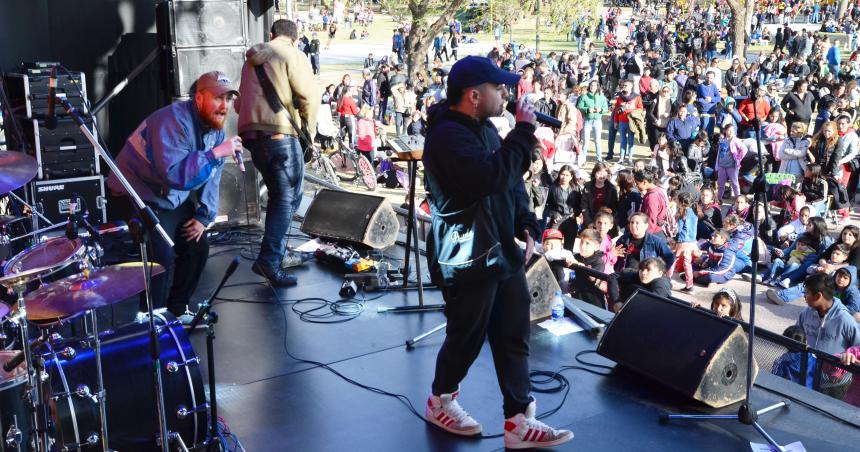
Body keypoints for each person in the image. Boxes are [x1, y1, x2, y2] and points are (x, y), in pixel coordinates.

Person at [422, 56, 573, 449]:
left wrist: (526, 222)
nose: (507, 93)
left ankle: (519, 420)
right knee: (466, 337)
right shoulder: (447, 137)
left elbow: (510, 184)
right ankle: (440, 399)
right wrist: (523, 131)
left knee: (513, 333)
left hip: (499, 249)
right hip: (468, 253)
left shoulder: (485, 128)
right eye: (499, 88)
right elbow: (487, 178)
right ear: (474, 95)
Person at [107, 71, 238, 320]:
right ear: (199, 98)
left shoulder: (216, 131)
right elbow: (174, 175)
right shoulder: (172, 121)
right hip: (134, 191)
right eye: (218, 98)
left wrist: (203, 215)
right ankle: (150, 320)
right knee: (161, 253)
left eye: (229, 99)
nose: (224, 106)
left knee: (197, 246)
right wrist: (214, 154)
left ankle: (176, 312)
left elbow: (213, 178)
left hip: (168, 195)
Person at [237, 19, 321, 286]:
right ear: (294, 39)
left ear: (271, 35)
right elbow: (310, 95)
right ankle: (270, 260)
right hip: (280, 135)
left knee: (281, 197)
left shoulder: (251, 60)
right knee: (287, 198)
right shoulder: (292, 54)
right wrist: (310, 132)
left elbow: (240, 102)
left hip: (253, 136)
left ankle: (273, 254)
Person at [795, 273, 860, 355]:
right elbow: (795, 336)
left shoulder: (844, 319)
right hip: (805, 366)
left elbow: (858, 349)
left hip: (831, 367)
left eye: (806, 293)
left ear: (818, 296)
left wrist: (848, 355)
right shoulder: (806, 313)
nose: (804, 296)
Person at [608, 257, 673, 312]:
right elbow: (614, 276)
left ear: (660, 273)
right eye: (642, 269)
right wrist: (616, 301)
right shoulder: (637, 274)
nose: (643, 273)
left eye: (648, 270)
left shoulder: (662, 284)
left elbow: (654, 305)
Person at [577, 80, 609, 162]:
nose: (592, 87)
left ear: (597, 87)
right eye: (591, 85)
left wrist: (600, 109)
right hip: (587, 120)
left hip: (598, 121)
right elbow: (579, 106)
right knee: (586, 141)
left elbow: (606, 108)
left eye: (594, 85)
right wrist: (587, 110)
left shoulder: (602, 97)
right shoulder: (584, 96)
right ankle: (583, 159)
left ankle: (599, 158)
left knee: (597, 141)